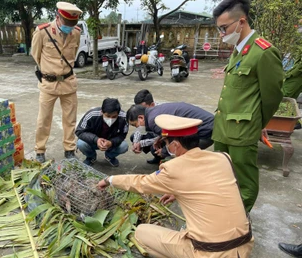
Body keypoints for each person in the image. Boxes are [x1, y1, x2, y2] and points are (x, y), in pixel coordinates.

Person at [97, 114, 254, 258]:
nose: (165, 147)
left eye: (165, 143)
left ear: (175, 145)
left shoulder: (173, 168)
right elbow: (207, 183)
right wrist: (177, 192)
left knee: (141, 233)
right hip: (244, 245)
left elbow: (140, 182)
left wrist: (110, 179)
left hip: (210, 253)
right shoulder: (222, 158)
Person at [212, 0, 283, 212]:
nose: (222, 34)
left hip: (243, 130)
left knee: (244, 182)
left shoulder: (263, 52)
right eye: (219, 29)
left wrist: (257, 123)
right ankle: (226, 212)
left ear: (241, 21)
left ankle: (239, 222)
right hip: (224, 127)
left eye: (224, 28)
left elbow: (272, 96)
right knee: (223, 176)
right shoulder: (239, 50)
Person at [31, 2, 83, 163]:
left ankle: (69, 150)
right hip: (49, 84)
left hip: (68, 82)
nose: (69, 27)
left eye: (72, 24)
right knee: (43, 120)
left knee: (70, 119)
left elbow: (73, 54)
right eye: (67, 23)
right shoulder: (42, 32)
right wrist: (49, 71)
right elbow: (36, 55)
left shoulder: (76, 33)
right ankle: (40, 150)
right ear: (57, 17)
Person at [127, 102, 214, 164]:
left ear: (141, 118)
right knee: (160, 147)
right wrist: (159, 138)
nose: (137, 128)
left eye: (135, 125)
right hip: (207, 125)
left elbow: (174, 142)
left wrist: (165, 151)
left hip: (206, 131)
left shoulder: (153, 121)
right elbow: (169, 132)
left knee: (176, 156)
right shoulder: (153, 112)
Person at [75, 98, 129, 167]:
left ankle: (110, 156)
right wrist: (96, 139)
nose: (111, 119)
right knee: (81, 143)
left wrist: (111, 142)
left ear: (118, 114)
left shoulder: (124, 117)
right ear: (101, 112)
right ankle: (91, 157)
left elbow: (122, 135)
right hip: (93, 141)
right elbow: (79, 131)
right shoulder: (91, 115)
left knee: (124, 146)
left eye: (114, 116)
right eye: (108, 116)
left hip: (110, 143)